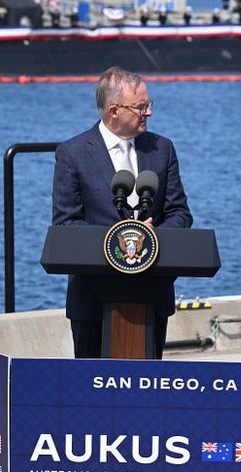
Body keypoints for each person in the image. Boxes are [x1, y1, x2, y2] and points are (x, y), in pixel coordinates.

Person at [52, 66, 193, 358]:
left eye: (148, 104)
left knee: (147, 381)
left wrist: (152, 239)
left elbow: (180, 213)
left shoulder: (162, 149)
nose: (148, 112)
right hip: (92, 297)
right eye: (140, 106)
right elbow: (66, 223)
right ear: (114, 111)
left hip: (152, 292)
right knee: (91, 381)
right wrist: (121, 239)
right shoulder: (73, 153)